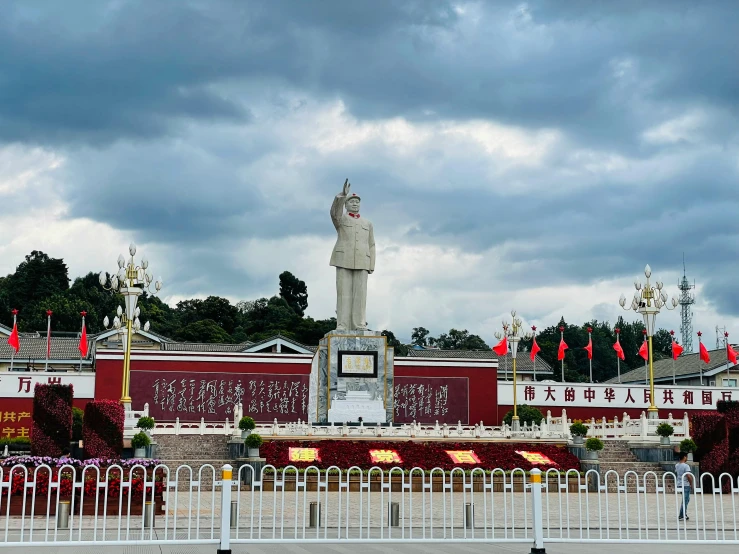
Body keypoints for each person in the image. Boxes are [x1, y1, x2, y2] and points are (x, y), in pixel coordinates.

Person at [329, 179, 375, 331]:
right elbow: (334, 212)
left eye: (357, 202)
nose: (355, 204)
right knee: (344, 294)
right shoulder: (341, 219)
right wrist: (342, 195)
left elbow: (371, 244)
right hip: (343, 259)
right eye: (352, 202)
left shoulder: (367, 223)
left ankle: (359, 324)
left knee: (360, 296)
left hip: (363, 260)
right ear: (346, 204)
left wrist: (371, 264)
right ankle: (342, 324)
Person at [676, 452, 694, 520]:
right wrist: (691, 483)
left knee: (686, 499)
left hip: (679, 484)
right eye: (686, 457)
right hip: (685, 484)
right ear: (684, 457)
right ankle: (682, 515)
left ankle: (683, 514)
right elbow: (688, 475)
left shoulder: (677, 465)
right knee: (685, 500)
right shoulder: (686, 466)